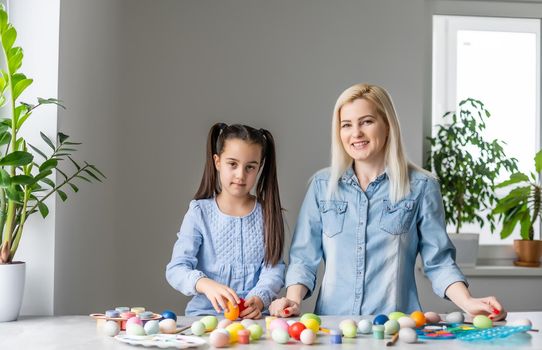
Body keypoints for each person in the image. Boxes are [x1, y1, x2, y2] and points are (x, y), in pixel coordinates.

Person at [269, 83, 507, 320]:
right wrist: (292, 300)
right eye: (346, 125)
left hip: (397, 328)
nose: (356, 133)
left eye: (366, 122)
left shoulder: (422, 187)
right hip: (333, 328)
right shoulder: (322, 186)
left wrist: (467, 302)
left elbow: (439, 262)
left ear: (387, 125)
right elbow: (303, 259)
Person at [166, 123, 285, 319]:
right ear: (217, 161)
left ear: (259, 167)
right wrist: (205, 284)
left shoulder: (268, 213)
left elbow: (274, 268)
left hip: (254, 320)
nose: (240, 175)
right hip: (205, 318)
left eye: (250, 167)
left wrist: (260, 298)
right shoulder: (199, 212)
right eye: (233, 164)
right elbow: (176, 269)